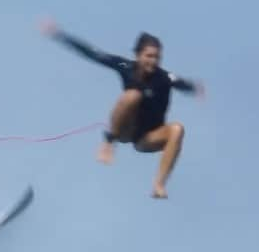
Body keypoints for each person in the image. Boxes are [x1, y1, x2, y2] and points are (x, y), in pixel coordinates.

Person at [40, 20, 205, 198]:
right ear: (138, 55)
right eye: (149, 56)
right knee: (132, 96)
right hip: (126, 130)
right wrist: (59, 35)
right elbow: (92, 53)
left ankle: (159, 184)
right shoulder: (125, 67)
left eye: (157, 57)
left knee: (177, 129)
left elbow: (183, 83)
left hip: (147, 138)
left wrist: (195, 88)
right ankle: (109, 143)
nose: (153, 61)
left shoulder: (165, 78)